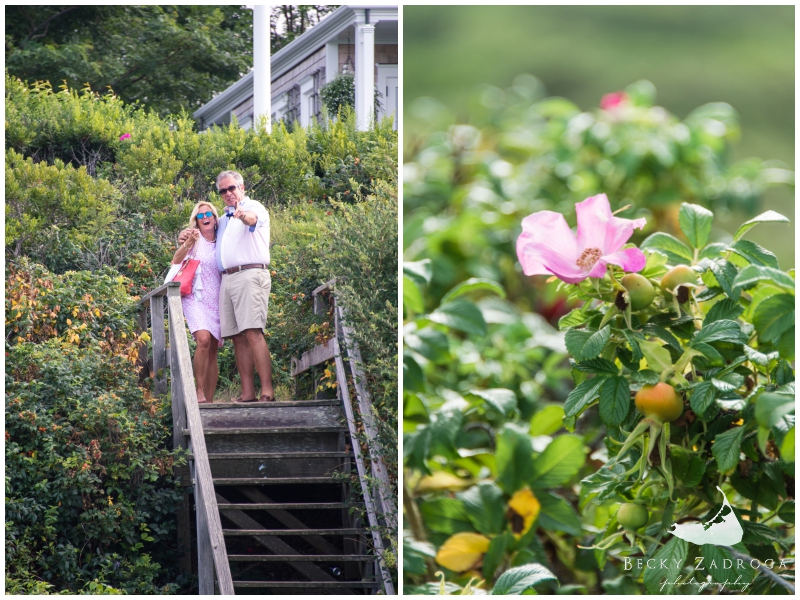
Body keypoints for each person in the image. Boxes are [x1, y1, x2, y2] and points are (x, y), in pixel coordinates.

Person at [179, 170, 275, 403]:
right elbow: (205, 229)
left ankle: (267, 391)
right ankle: (247, 393)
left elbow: (253, 219)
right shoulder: (223, 219)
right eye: (223, 190)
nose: (228, 193)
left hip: (250, 273)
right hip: (227, 279)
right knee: (238, 338)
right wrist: (184, 234)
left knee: (253, 331)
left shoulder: (253, 207)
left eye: (231, 188)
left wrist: (243, 215)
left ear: (242, 187)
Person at [168, 202, 223, 404]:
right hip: (195, 296)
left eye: (209, 213)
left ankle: (209, 400)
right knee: (203, 340)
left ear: (215, 218)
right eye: (201, 215)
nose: (205, 217)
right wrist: (187, 243)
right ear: (196, 220)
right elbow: (176, 260)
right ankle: (198, 391)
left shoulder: (222, 241)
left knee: (213, 348)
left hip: (216, 298)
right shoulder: (194, 238)